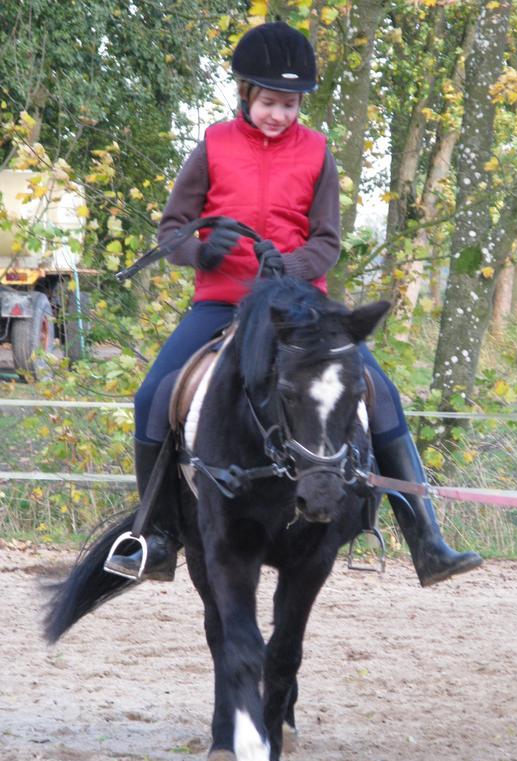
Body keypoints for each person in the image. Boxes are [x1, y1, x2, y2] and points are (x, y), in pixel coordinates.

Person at [105, 21, 482, 587]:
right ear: (246, 97)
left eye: (289, 103)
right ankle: (153, 537)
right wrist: (204, 253)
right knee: (153, 396)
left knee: (381, 394)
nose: (279, 114)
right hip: (223, 303)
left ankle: (425, 538)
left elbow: (327, 240)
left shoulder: (318, 152)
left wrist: (292, 269)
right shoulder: (211, 145)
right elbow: (172, 232)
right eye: (269, 102)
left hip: (300, 309)